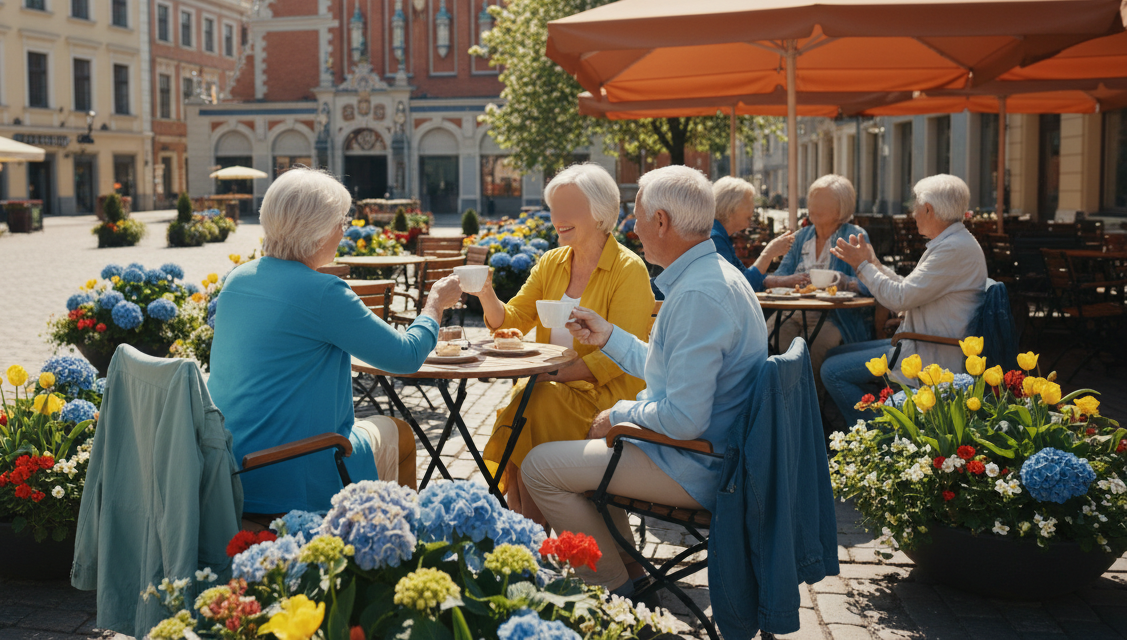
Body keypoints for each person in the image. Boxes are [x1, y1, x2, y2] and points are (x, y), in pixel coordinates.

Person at [520, 165, 767, 594]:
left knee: (542, 467)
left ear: (661, 221)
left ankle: (610, 592)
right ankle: (626, 573)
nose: (631, 228)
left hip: (697, 463)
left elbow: (684, 418)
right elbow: (666, 368)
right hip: (707, 451)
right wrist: (609, 335)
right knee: (590, 454)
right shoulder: (713, 276)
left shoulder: (696, 295)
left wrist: (617, 413)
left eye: (635, 215)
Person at [206, 168, 463, 514]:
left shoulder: (238, 279)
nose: (344, 230)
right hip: (299, 467)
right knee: (400, 432)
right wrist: (434, 304)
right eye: (341, 221)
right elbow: (405, 356)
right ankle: (395, 548)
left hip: (233, 468)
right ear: (318, 229)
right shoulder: (324, 291)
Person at [470, 163, 654, 527]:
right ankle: (531, 533)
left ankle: (529, 534)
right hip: (548, 389)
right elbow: (510, 322)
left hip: (606, 398)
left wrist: (547, 374)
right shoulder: (551, 262)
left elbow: (615, 360)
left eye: (569, 209)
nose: (558, 218)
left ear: (600, 213)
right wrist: (486, 291)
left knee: (530, 403)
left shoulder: (627, 269)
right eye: (555, 208)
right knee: (528, 404)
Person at [822, 174, 988, 423]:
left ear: (929, 210)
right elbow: (908, 289)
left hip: (931, 352)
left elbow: (898, 299)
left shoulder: (952, 249)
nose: (913, 214)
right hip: (918, 341)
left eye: (916, 207)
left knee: (831, 371)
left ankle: (877, 434)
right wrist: (873, 263)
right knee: (834, 354)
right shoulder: (952, 243)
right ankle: (883, 425)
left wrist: (862, 267)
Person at [763, 175, 875, 372]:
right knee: (775, 335)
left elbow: (872, 284)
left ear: (841, 208)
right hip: (795, 311)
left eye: (822, 200)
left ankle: (814, 399)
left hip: (836, 316)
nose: (814, 206)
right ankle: (793, 393)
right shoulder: (801, 237)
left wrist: (845, 282)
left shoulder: (854, 236)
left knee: (818, 347)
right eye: (813, 198)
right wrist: (788, 280)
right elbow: (778, 277)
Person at [710, 177, 795, 291]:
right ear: (730, 207)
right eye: (749, 202)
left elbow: (744, 276)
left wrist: (785, 281)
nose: (753, 208)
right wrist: (769, 254)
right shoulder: (715, 239)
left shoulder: (720, 235)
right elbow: (742, 287)